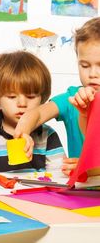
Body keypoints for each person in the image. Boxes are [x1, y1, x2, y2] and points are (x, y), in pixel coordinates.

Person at [14, 17, 100, 175]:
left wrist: (91, 170)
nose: (93, 74)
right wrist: (24, 133)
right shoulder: (71, 98)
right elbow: (37, 114)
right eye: (85, 65)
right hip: (80, 192)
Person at [0, 51, 65, 173]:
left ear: (42, 98)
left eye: (30, 96)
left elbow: (59, 176)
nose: (22, 104)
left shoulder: (47, 135)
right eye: (12, 96)